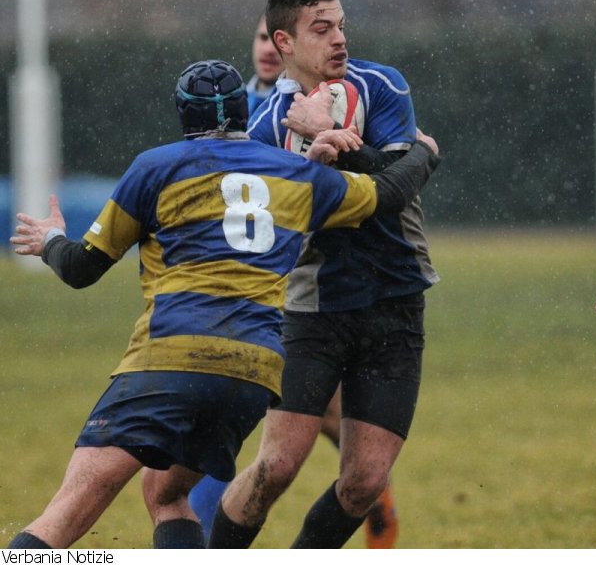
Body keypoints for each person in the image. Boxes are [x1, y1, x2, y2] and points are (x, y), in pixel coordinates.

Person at [5, 59, 440, 549]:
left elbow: (81, 269)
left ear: (181, 114)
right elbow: (390, 193)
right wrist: (425, 153)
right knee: (167, 493)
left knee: (62, 518)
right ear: (244, 111)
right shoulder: (297, 174)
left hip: (169, 360)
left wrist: (50, 240)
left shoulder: (155, 167)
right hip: (251, 374)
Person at [206, 0, 437, 549]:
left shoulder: (383, 85)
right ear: (285, 41)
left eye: (341, 26)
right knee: (275, 468)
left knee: (364, 483)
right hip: (312, 311)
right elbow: (279, 225)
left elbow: (393, 187)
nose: (339, 40)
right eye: (322, 29)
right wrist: (318, 152)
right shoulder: (264, 127)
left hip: (395, 300)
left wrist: (334, 141)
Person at [247, 13, 283, 114]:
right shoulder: (229, 103)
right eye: (263, 37)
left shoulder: (299, 112)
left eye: (280, 41)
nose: (268, 50)